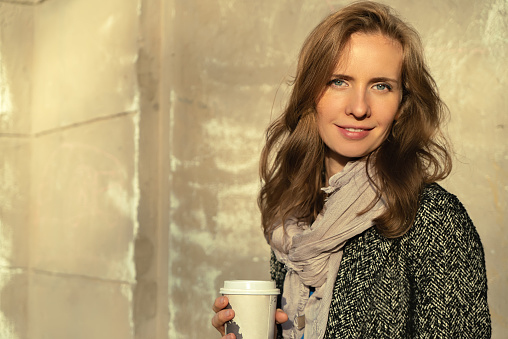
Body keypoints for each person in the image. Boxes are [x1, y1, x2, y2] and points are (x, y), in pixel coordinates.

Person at [212, 1, 491, 338]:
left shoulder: (434, 219)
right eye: (339, 81)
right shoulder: (293, 219)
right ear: (311, 92)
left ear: (402, 105)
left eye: (381, 86)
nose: (359, 108)